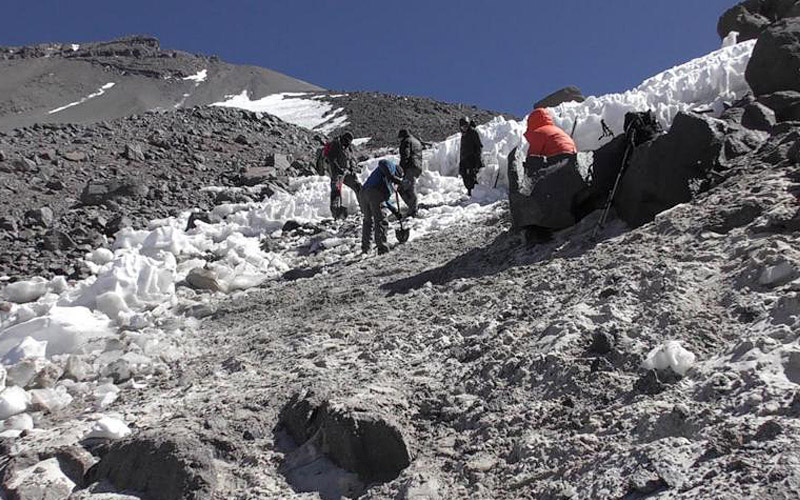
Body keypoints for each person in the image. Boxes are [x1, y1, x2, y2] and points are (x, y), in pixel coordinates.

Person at [359, 159, 404, 255]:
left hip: (364, 194)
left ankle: (366, 249)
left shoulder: (385, 180)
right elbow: (382, 162)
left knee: (368, 221)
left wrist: (394, 211)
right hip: (373, 192)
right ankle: (382, 248)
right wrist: (392, 177)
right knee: (381, 220)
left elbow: (384, 200)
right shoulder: (391, 166)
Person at [327, 131, 361, 220]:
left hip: (347, 172)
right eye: (347, 141)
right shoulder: (335, 144)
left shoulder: (347, 146)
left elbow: (351, 158)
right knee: (336, 193)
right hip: (337, 174)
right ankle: (337, 216)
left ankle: (365, 207)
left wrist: (352, 168)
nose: (348, 143)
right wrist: (338, 169)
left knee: (358, 187)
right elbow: (331, 159)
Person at [397, 129, 423, 217]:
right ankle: (413, 207)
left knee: (406, 189)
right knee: (408, 188)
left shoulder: (406, 141)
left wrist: (401, 169)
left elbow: (405, 155)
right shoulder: (416, 141)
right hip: (417, 167)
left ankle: (413, 210)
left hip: (410, 167)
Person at [458, 117, 483, 196]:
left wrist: (478, 159)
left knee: (471, 176)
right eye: (462, 127)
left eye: (465, 126)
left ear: (468, 125)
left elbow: (478, 146)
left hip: (472, 157)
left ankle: (473, 192)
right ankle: (470, 191)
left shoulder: (473, 132)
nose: (464, 128)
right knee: (464, 174)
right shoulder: (463, 134)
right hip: (464, 158)